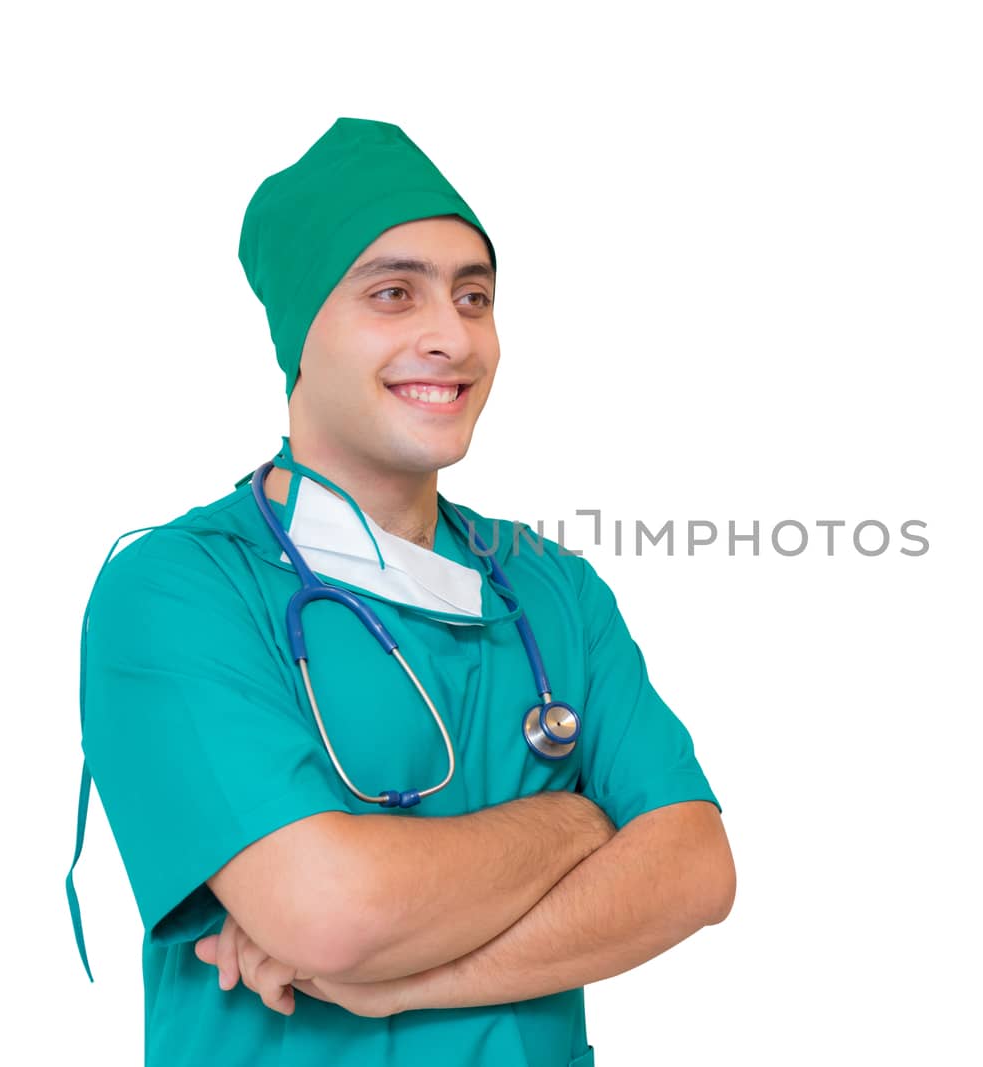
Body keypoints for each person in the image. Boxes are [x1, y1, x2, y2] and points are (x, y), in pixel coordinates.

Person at [64, 116, 735, 1067]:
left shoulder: (554, 589)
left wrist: (401, 979)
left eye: (475, 297)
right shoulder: (178, 590)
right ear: (303, 333)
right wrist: (579, 821)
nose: (450, 336)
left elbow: (696, 869)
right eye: (393, 293)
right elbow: (332, 913)